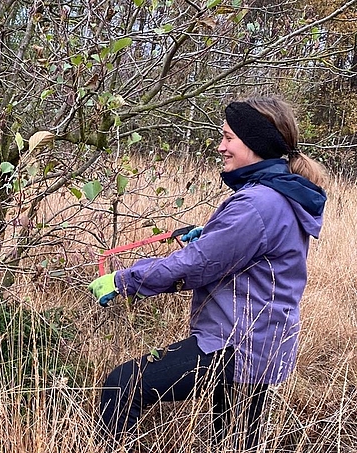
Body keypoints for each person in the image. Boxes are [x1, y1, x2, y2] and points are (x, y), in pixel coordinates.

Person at [88, 96, 327, 450]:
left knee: (122, 386)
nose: (221, 147)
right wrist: (214, 237)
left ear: (255, 143)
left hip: (236, 344)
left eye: (228, 138)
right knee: (234, 442)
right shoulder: (275, 196)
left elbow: (197, 264)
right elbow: (239, 253)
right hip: (261, 343)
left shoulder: (257, 203)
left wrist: (124, 280)